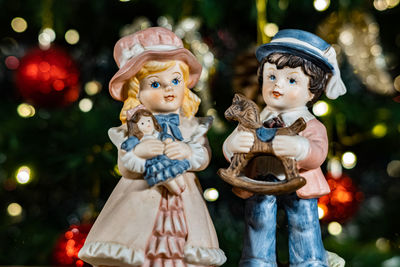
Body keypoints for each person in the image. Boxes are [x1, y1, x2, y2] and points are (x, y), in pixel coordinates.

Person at [79, 27, 226, 267]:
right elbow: (126, 165)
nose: (169, 89)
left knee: (183, 247)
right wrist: (140, 154)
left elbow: (203, 156)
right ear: (137, 92)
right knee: (140, 245)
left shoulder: (191, 125)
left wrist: (189, 153)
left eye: (176, 80)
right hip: (142, 195)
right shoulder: (136, 127)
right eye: (156, 84)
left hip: (184, 197)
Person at [222, 29, 346, 267]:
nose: (278, 84)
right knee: (258, 219)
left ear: (312, 91)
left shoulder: (310, 124)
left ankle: (309, 259)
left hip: (299, 182)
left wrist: (301, 147)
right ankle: (257, 259)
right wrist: (233, 145)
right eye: (271, 77)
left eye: (292, 80)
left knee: (304, 221)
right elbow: (232, 147)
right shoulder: (255, 119)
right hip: (262, 179)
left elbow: (318, 152)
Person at [121, 106, 190, 187]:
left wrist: (167, 139)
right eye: (142, 123)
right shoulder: (139, 139)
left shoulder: (157, 134)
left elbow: (164, 135)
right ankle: (174, 188)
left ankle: (181, 185)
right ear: (135, 127)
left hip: (165, 157)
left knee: (176, 173)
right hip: (153, 162)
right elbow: (128, 145)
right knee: (165, 179)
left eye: (149, 121)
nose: (148, 124)